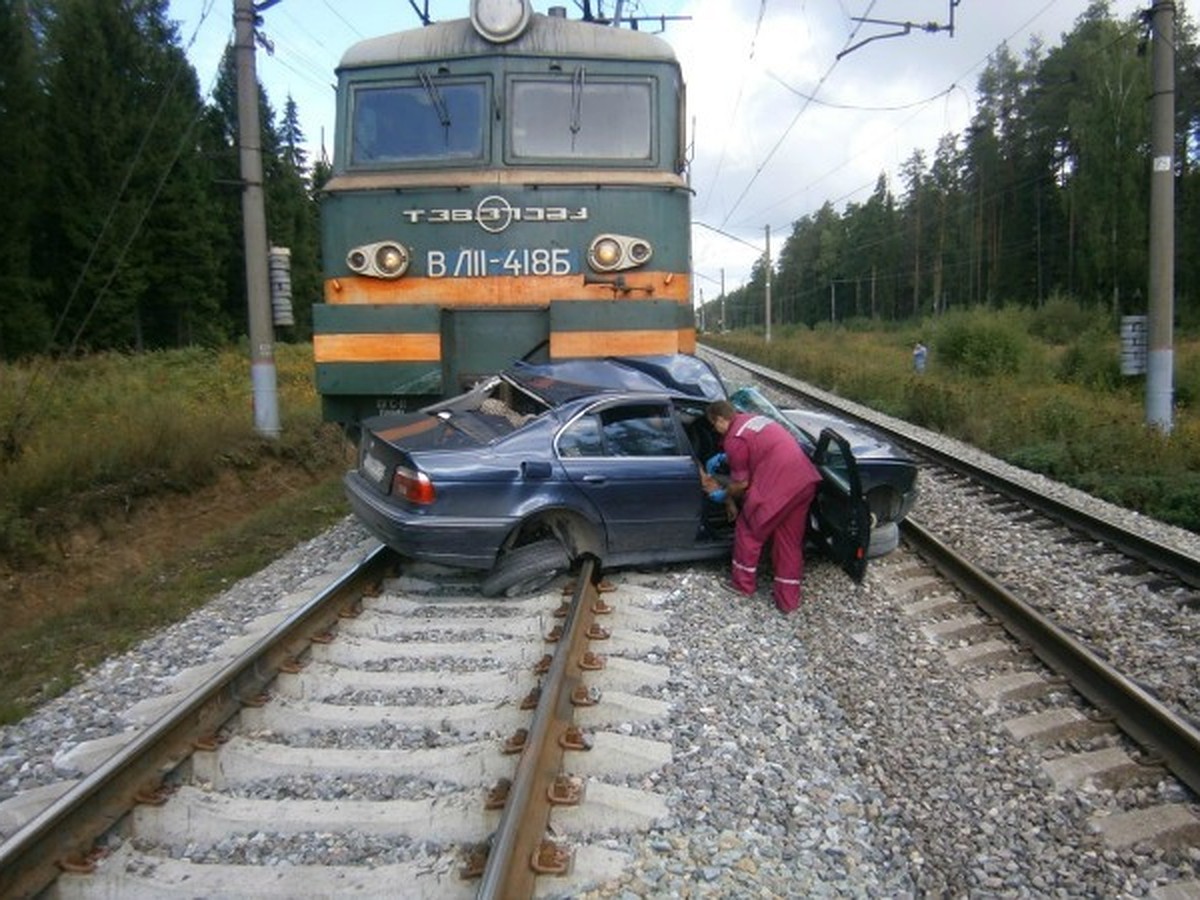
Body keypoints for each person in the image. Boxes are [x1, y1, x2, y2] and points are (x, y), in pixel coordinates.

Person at [702, 400, 823, 614]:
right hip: (804, 481)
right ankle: (788, 601)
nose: (714, 430)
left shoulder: (734, 439)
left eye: (713, 425)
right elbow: (759, 449)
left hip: (778, 487)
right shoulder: (751, 420)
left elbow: (741, 484)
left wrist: (724, 494)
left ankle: (742, 585)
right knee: (788, 542)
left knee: (749, 530)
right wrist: (727, 458)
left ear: (721, 419)